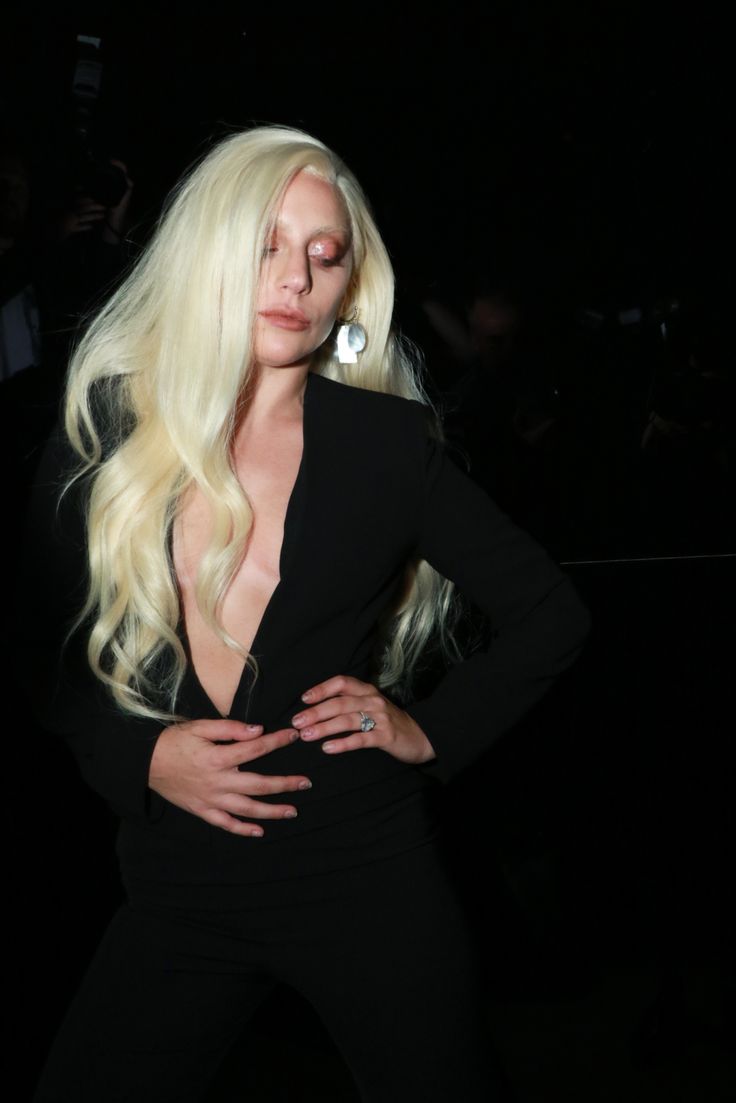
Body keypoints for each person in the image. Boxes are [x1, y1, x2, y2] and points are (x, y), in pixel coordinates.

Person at [20, 125, 591, 1102]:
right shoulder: (106, 429)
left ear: (348, 285)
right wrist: (136, 754)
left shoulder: (387, 443)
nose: (296, 279)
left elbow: (550, 612)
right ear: (206, 257)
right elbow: (30, 646)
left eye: (325, 255)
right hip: (179, 883)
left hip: (365, 872)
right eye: (265, 247)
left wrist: (431, 729)